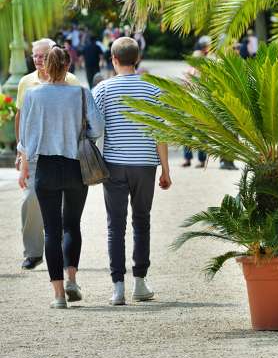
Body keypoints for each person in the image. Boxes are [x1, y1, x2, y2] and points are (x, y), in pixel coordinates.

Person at [18, 46, 104, 308]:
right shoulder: (81, 93)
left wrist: (24, 163)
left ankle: (58, 295)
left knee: (51, 231)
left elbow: (26, 137)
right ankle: (72, 279)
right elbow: (97, 127)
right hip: (76, 165)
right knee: (72, 225)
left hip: (45, 165)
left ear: (45, 66)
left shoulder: (33, 95)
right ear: (68, 66)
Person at [93, 36, 172, 305]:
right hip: (144, 165)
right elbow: (160, 132)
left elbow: (94, 127)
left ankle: (118, 287)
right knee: (142, 221)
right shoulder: (152, 89)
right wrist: (166, 169)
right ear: (137, 59)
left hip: (114, 164)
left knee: (115, 226)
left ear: (113, 60)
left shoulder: (103, 89)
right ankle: (140, 281)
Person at [15, 38, 82, 270]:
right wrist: (20, 153)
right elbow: (21, 120)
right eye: (35, 56)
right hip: (33, 155)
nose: (38, 60)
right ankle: (33, 252)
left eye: (42, 55)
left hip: (65, 154)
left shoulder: (72, 81)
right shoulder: (26, 83)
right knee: (29, 200)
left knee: (63, 212)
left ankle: (63, 256)